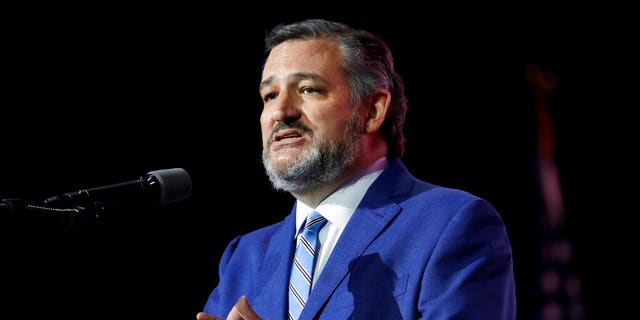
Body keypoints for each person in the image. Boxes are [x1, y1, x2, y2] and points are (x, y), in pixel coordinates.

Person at [196, 18, 516, 320]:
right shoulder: (244, 256)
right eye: (269, 95)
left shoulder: (451, 223)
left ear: (372, 110)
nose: (281, 111)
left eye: (308, 89)